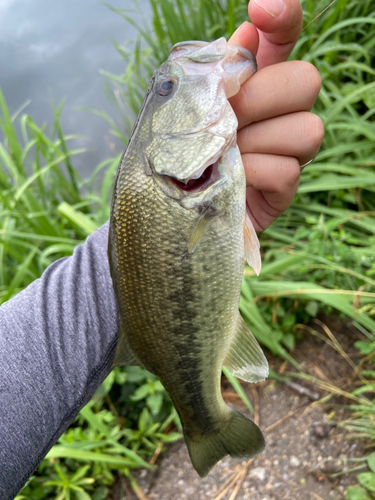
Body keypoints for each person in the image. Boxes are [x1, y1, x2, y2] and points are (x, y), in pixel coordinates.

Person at [0, 0, 324, 497]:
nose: (173, 79)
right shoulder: (172, 180)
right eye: (166, 89)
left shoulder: (179, 180)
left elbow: (147, 238)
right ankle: (206, 421)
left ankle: (203, 419)